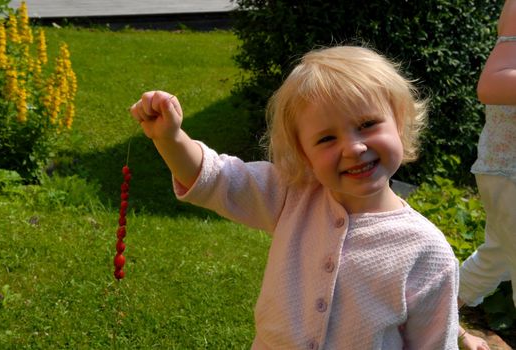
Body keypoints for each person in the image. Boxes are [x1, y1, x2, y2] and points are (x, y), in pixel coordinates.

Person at [130, 45, 460, 349]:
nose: (354, 148)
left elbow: (433, 343)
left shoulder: (427, 252)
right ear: (303, 154)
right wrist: (170, 139)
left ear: (399, 123)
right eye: (327, 139)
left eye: (368, 124)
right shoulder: (293, 194)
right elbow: (217, 179)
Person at [458, 1, 516, 349]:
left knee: (497, 255)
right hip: (510, 168)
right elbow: (492, 85)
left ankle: (428, 309)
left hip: (505, 169)